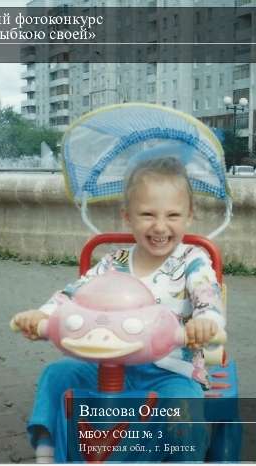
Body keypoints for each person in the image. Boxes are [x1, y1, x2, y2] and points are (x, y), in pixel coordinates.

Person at [12, 155, 225, 463]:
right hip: (110, 364)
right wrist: (43, 315)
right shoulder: (114, 263)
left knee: (183, 405)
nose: (160, 226)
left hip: (168, 370)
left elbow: (208, 297)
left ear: (190, 216)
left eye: (173, 215)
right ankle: (48, 446)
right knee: (57, 374)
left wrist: (205, 322)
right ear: (128, 216)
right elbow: (73, 295)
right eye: (147, 214)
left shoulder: (192, 261)